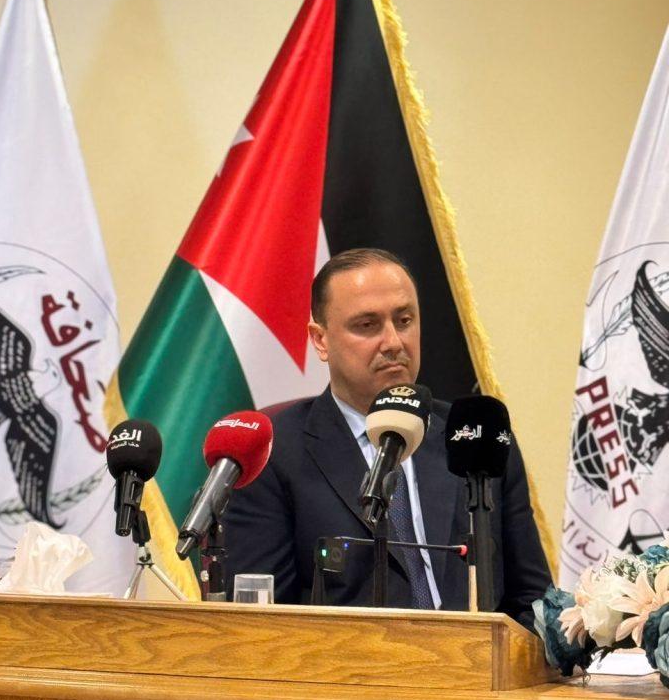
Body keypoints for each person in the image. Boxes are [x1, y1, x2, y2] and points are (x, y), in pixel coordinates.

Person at [222, 248, 551, 627]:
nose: (394, 341)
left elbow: (532, 604)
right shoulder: (270, 454)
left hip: (472, 662)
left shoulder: (475, 437)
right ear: (321, 340)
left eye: (404, 320)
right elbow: (258, 624)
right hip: (343, 663)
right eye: (367, 325)